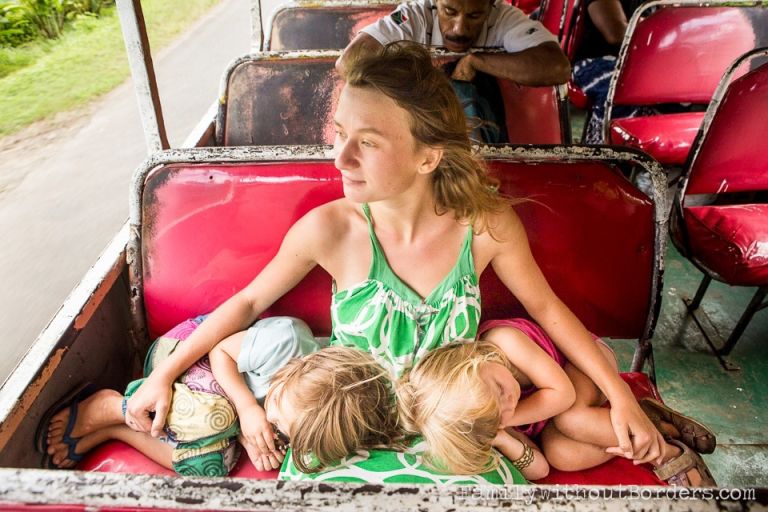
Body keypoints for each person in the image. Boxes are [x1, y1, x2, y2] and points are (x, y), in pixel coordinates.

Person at [123, 41, 663, 469]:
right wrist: (163, 375)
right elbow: (246, 304)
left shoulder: (485, 227)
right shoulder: (330, 230)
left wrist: (620, 397)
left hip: (450, 432)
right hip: (352, 430)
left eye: (368, 142)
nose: (341, 158)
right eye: (340, 134)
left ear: (428, 157)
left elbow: (548, 309)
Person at [43, 317, 399, 475]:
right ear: (296, 369)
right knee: (216, 418)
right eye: (275, 411)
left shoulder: (317, 419)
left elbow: (273, 426)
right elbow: (221, 352)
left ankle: (117, 430)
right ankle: (112, 405)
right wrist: (247, 409)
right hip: (192, 351)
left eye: (283, 430)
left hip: (220, 403)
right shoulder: (286, 342)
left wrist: (257, 442)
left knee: (211, 467)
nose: (272, 423)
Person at [399, 319, 717, 485]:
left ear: (474, 360)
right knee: (560, 455)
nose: (509, 400)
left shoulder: (501, 341)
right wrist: (499, 436)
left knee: (571, 419)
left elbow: (562, 394)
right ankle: (660, 426)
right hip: (558, 413)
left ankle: (668, 454)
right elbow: (539, 468)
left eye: (499, 388)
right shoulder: (487, 413)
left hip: (584, 365)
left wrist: (506, 420)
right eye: (499, 410)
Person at [336, 0, 570, 142]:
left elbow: (558, 68)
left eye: (474, 16)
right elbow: (348, 62)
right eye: (449, 11)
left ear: (490, 7)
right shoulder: (412, 15)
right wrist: (420, 81)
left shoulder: (504, 16)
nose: (460, 29)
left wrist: (476, 62)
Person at [571, 0, 641, 143]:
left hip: (640, 61)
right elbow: (615, 32)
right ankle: (606, 147)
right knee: (628, 89)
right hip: (596, 61)